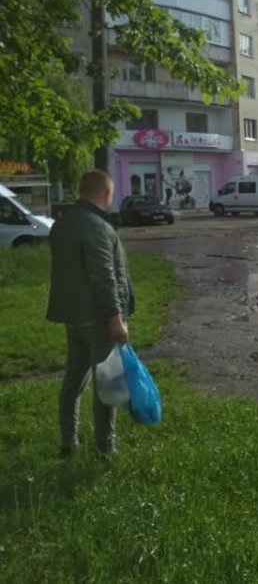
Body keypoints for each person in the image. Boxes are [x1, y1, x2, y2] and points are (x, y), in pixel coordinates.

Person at [47, 170, 135, 459]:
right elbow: (104, 277)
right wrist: (115, 318)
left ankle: (68, 443)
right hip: (99, 319)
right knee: (105, 385)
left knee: (73, 382)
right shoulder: (97, 227)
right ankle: (106, 449)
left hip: (73, 317)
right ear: (106, 194)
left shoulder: (62, 224)